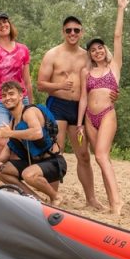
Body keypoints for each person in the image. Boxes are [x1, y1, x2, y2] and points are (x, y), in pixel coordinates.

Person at [37, 14, 101, 210]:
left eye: (76, 30)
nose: (72, 33)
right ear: (63, 32)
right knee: (56, 152)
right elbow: (40, 84)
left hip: (79, 109)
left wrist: (110, 93)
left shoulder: (87, 56)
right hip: (58, 105)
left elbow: (103, 75)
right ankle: (52, 196)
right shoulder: (53, 54)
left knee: (83, 155)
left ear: (82, 32)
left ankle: (91, 198)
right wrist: (59, 86)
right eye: (68, 30)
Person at [77, 0, 128, 215]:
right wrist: (79, 123)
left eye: (99, 48)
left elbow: (117, 36)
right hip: (89, 117)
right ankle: (111, 201)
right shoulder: (86, 72)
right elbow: (83, 98)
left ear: (104, 49)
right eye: (92, 49)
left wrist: (120, 9)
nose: (97, 51)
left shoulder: (114, 66)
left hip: (107, 113)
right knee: (100, 159)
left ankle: (117, 203)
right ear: (90, 53)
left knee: (100, 155)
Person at [0, 81, 66, 203]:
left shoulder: (29, 112)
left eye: (11, 94)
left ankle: (56, 197)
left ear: (21, 96)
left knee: (28, 174)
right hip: (34, 163)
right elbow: (8, 148)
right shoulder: (13, 122)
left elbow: (37, 133)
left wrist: (10, 133)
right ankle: (36, 199)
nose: (7, 98)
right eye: (4, 96)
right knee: (0, 170)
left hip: (53, 162)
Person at [0, 12, 32, 182]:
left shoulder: (22, 49)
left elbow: (27, 80)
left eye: (5, 22)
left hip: (20, 99)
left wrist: (31, 106)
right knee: (2, 141)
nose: (3, 25)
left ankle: (16, 181)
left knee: (20, 143)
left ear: (10, 24)